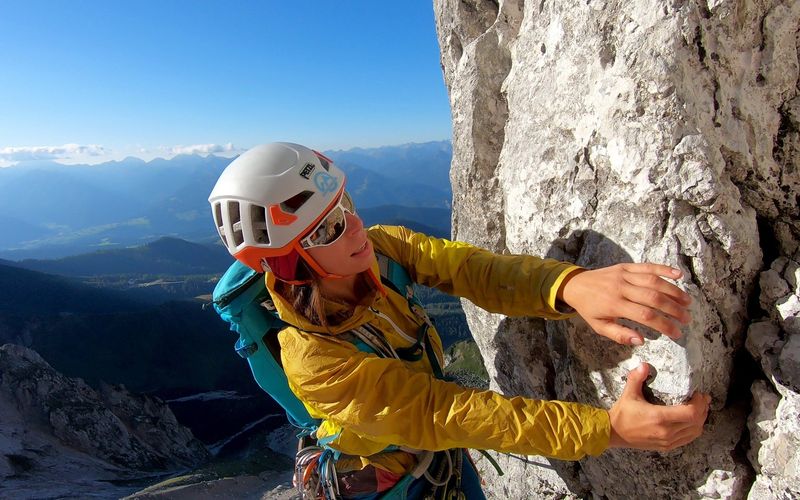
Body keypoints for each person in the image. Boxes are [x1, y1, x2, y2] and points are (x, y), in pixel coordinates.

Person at [208, 142, 710, 499]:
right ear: (291, 264)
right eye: (332, 227)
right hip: (379, 480)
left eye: (346, 204)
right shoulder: (312, 362)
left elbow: (470, 270)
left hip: (434, 450)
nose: (357, 226)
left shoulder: (381, 249)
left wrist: (570, 286)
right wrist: (606, 430)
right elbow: (441, 413)